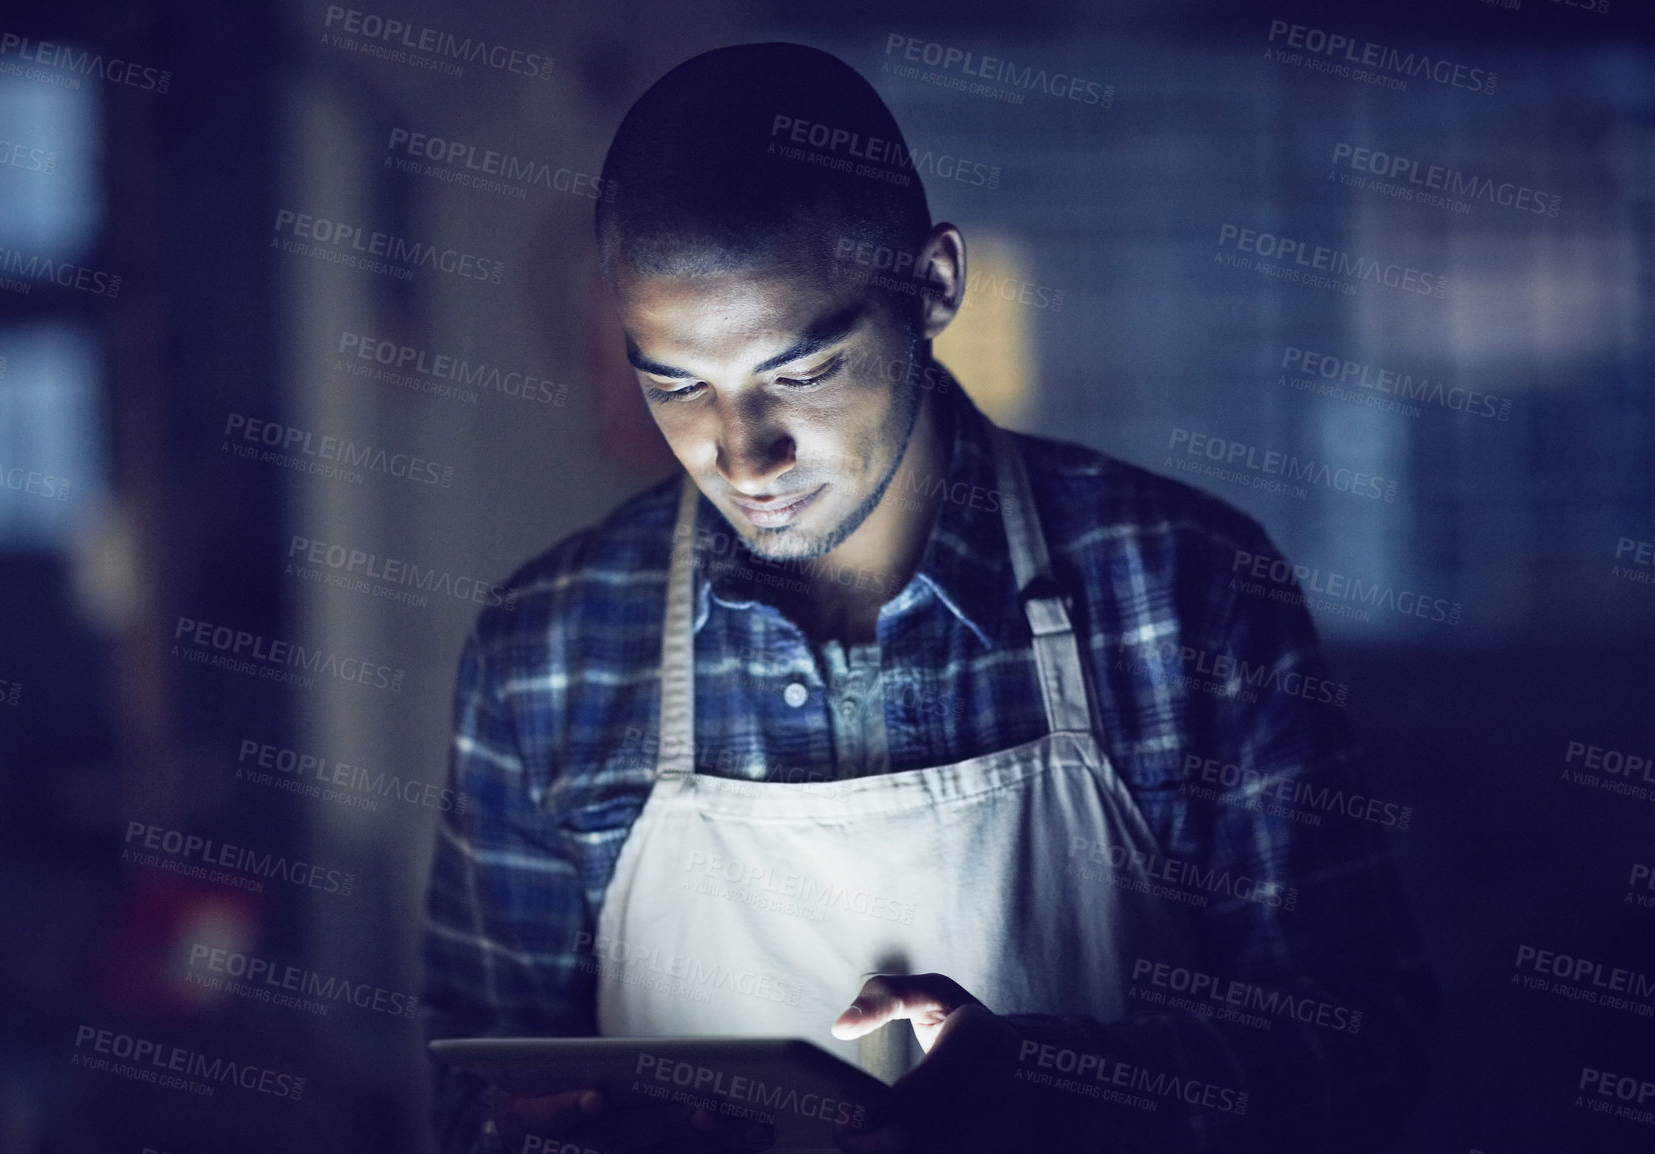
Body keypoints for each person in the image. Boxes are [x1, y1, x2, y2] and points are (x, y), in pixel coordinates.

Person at [420, 41, 1437, 1154]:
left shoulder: (1186, 588)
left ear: (933, 284)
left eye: (801, 372)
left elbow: (1369, 1058)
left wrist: (1056, 1091)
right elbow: (473, 1079)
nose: (742, 455)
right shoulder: (543, 649)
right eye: (676, 384)